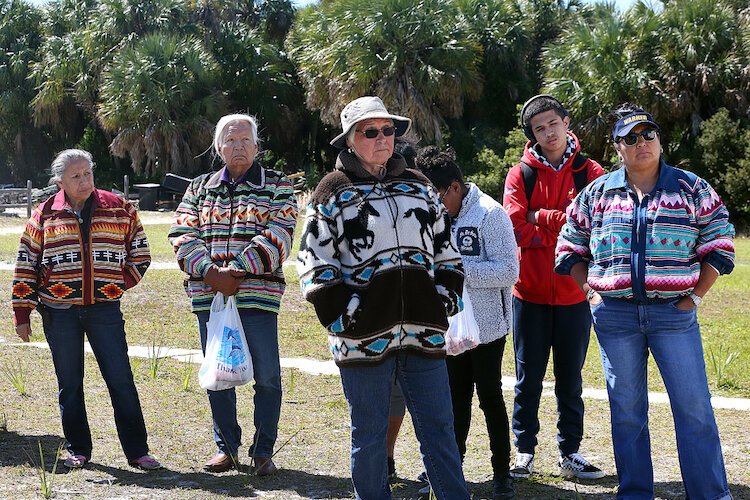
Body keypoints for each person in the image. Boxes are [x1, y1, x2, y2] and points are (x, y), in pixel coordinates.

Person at [555, 103, 735, 499]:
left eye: (648, 133)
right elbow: (569, 244)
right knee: (627, 411)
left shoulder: (691, 187)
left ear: (659, 138)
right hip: (615, 318)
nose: (642, 143)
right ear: (617, 147)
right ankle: (635, 492)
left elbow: (720, 240)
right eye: (630, 138)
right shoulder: (597, 193)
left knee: (694, 410)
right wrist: (591, 291)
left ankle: (710, 494)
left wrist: (696, 296)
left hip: (675, 315)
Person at [297, 96, 470, 500]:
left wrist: (444, 299)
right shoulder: (331, 191)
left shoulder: (419, 185)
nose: (382, 138)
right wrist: (346, 316)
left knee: (440, 431)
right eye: (369, 131)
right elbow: (314, 263)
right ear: (349, 141)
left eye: (388, 130)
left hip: (423, 333)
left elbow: (447, 251)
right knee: (370, 438)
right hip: (362, 337)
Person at [11, 149, 160, 470]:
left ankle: (137, 451)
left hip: (105, 310)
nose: (84, 181)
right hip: (58, 312)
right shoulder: (45, 214)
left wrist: (116, 284)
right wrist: (22, 312)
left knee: (120, 379)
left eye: (87, 174)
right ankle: (79, 448)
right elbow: (26, 263)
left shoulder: (118, 207)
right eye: (75, 176)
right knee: (70, 382)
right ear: (59, 181)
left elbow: (141, 251)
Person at [169, 114, 298, 474]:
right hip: (209, 297)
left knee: (268, 376)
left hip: (257, 295)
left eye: (245, 140)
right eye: (230, 140)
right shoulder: (198, 188)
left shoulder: (277, 187)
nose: (238, 146)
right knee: (218, 373)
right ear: (218, 147)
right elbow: (182, 233)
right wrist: (210, 274)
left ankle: (263, 450)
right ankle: (226, 448)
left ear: (257, 146)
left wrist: (236, 271)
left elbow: (280, 234)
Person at [502, 94, 605, 480]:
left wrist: (540, 216)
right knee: (527, 379)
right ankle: (524, 452)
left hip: (575, 294)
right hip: (527, 294)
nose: (548, 132)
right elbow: (514, 226)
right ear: (532, 134)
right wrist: (563, 233)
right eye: (539, 128)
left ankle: (570, 453)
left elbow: (593, 226)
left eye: (553, 123)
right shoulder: (520, 174)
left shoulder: (591, 172)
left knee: (571, 379)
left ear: (566, 121)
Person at [416, 146, 519, 499]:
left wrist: (456, 271)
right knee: (453, 398)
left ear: (455, 188)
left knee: (490, 397)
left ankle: (502, 474)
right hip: (448, 325)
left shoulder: (492, 214)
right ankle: (449, 469)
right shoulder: (432, 217)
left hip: (488, 328)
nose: (431, 206)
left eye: (437, 197)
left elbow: (509, 270)